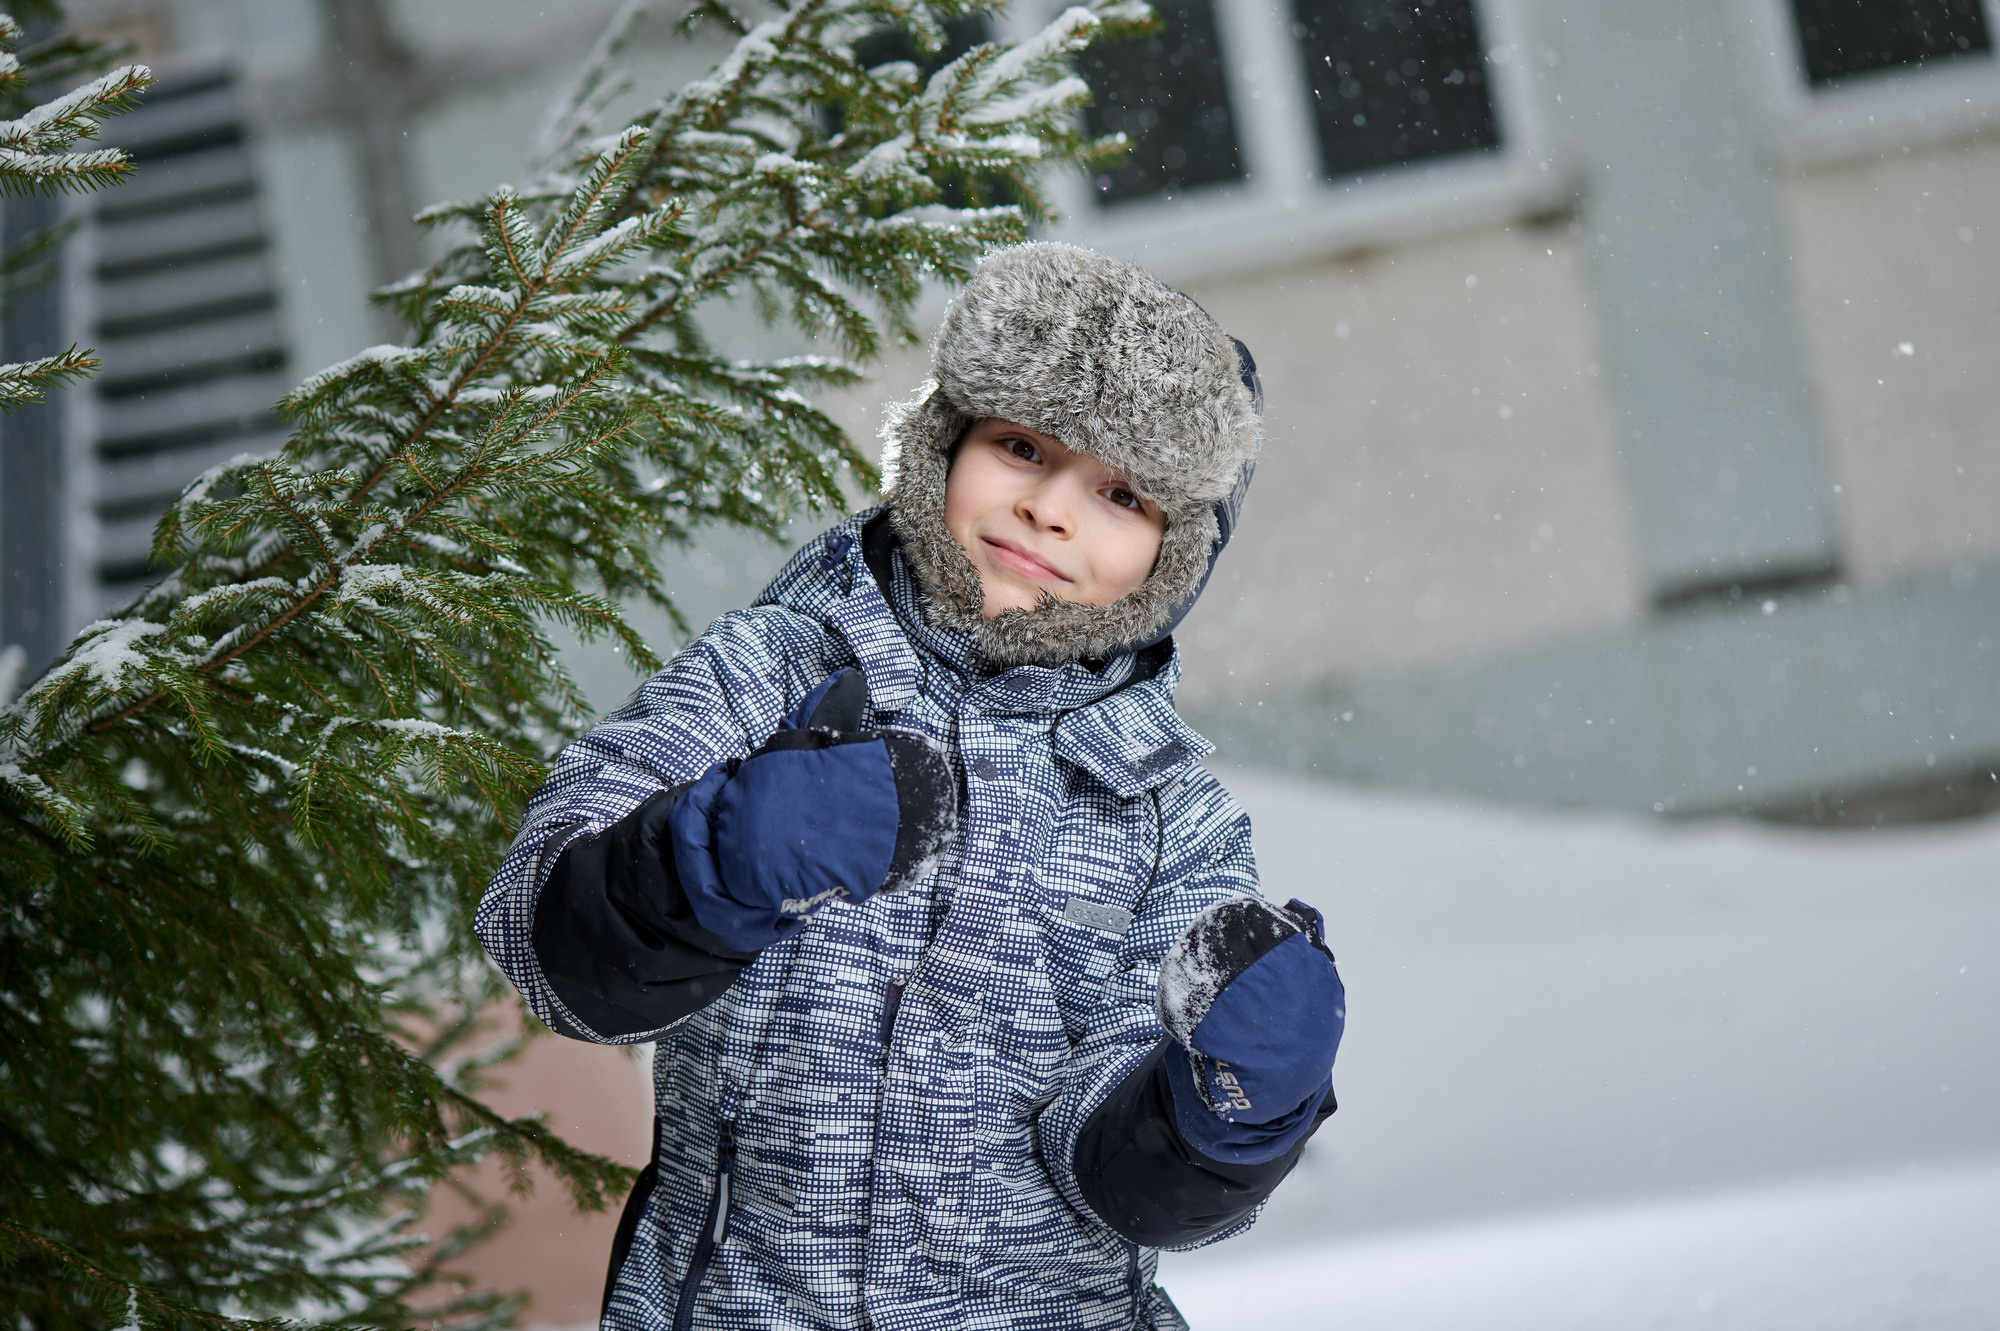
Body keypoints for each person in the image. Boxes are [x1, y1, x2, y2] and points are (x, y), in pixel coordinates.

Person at [476, 242, 1347, 1331]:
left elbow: (1126, 1183)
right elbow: (541, 941)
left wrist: (1230, 1115)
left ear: (1175, 557)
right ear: (945, 441)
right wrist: (710, 859)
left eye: (1120, 494)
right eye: (1022, 447)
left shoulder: (1170, 819)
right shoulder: (771, 672)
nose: (1049, 509)